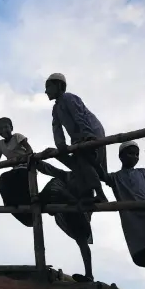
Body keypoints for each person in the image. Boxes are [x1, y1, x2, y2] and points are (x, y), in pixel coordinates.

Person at [45, 73, 108, 203]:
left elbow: (80, 116)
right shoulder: (56, 108)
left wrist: (88, 135)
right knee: (79, 162)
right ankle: (87, 192)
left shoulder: (68, 98)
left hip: (92, 132)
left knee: (83, 159)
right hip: (80, 138)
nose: (46, 91)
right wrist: (60, 144)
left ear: (59, 85)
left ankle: (100, 194)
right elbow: (56, 128)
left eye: (49, 86)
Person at [35, 149, 95, 282]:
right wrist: (37, 162)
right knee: (55, 183)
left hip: (79, 215)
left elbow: (92, 200)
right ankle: (41, 201)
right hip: (66, 210)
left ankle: (89, 274)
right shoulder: (68, 175)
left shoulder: (89, 178)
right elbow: (49, 169)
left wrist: (79, 202)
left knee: (82, 242)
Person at [103, 141, 145, 268]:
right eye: (130, 153)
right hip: (134, 224)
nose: (134, 157)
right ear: (121, 156)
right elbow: (99, 173)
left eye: (137, 154)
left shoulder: (143, 172)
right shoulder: (115, 177)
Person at [0, 117, 34, 227]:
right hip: (15, 169)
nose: (3, 130)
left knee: (19, 178)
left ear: (11, 128)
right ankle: (9, 202)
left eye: (6, 127)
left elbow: (29, 149)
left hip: (26, 168)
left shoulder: (17, 137)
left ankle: (25, 202)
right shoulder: (0, 144)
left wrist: (25, 157)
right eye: (0, 128)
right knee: (3, 178)